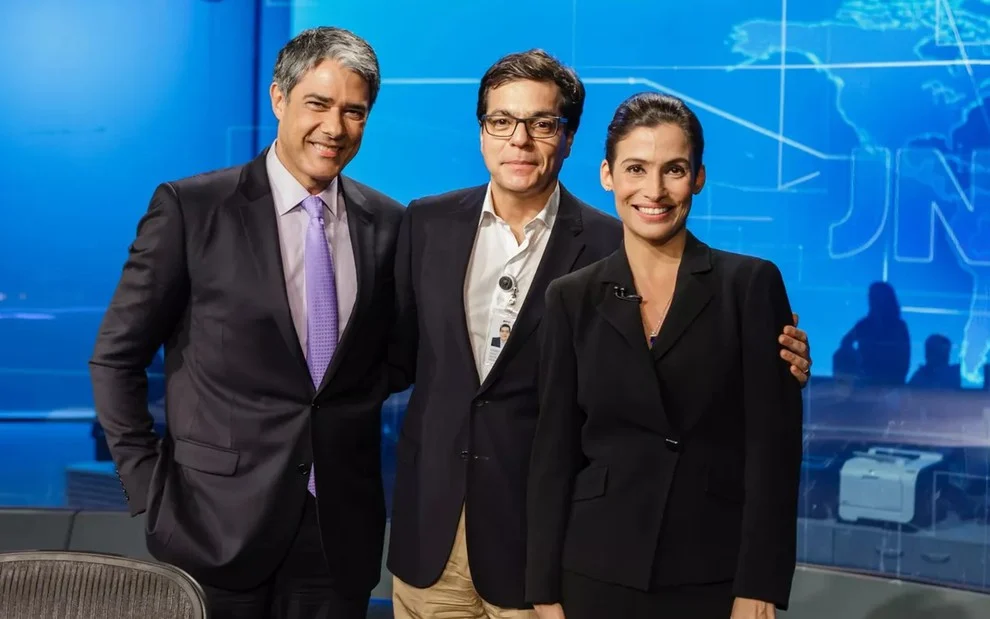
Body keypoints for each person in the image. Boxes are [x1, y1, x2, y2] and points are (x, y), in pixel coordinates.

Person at [386, 50, 813, 619]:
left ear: (568, 138)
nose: (520, 140)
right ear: (482, 128)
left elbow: (710, 391)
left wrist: (782, 361)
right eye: (502, 122)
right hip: (432, 535)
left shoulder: (625, 241)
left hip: (547, 543)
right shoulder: (425, 222)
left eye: (542, 124)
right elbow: (391, 356)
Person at [89, 27, 403, 619]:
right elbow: (115, 357)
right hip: (212, 525)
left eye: (353, 111)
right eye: (318, 103)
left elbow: (395, 355)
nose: (334, 128)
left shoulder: (388, 224)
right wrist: (146, 489)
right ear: (279, 99)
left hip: (338, 533)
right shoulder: (191, 208)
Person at [525, 92, 805, 619]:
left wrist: (760, 585)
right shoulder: (572, 296)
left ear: (698, 177)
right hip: (593, 569)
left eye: (674, 170)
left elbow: (774, 454)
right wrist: (544, 594)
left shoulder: (749, 285)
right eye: (636, 168)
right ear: (607, 175)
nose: (654, 191)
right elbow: (553, 456)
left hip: (713, 573)